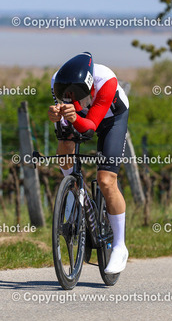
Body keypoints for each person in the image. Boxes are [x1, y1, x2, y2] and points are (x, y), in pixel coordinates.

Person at [48, 52, 129, 274]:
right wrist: (56, 116)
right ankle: (74, 193)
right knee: (64, 147)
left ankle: (120, 247)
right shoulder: (58, 81)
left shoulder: (106, 80)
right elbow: (65, 125)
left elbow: (91, 127)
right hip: (80, 115)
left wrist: (75, 117)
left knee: (106, 180)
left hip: (111, 119)